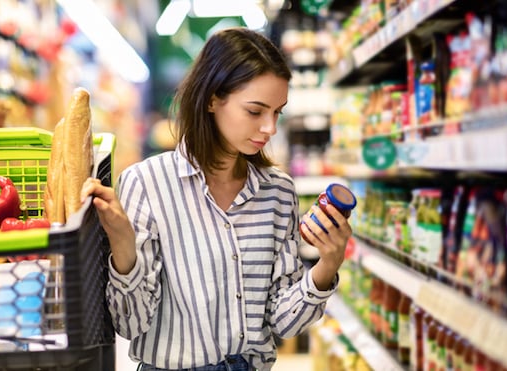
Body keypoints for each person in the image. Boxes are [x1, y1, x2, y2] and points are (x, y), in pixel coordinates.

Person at [80, 27, 352, 371]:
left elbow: (285, 323)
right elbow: (130, 324)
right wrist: (123, 246)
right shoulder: (146, 183)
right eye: (255, 111)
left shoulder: (278, 192)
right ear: (212, 99)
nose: (269, 128)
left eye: (277, 112)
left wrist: (327, 265)